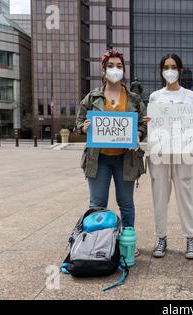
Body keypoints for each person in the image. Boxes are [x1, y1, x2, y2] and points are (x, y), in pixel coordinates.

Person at [143, 54, 193, 260]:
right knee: (159, 194)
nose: (169, 70)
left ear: (180, 69)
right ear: (161, 71)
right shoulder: (154, 96)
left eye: (173, 66)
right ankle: (161, 237)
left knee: (186, 193)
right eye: (166, 67)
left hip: (184, 151)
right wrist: (149, 122)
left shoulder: (190, 96)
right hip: (160, 151)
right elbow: (152, 124)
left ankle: (190, 237)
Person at [75, 49, 147, 256]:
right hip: (99, 159)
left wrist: (139, 136)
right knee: (97, 203)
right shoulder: (92, 97)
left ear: (123, 70)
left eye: (119, 66)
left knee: (126, 203)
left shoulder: (133, 98)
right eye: (111, 66)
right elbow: (79, 123)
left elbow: (143, 124)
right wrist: (83, 128)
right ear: (104, 69)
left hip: (125, 159)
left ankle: (127, 241)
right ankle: (96, 242)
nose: (115, 70)